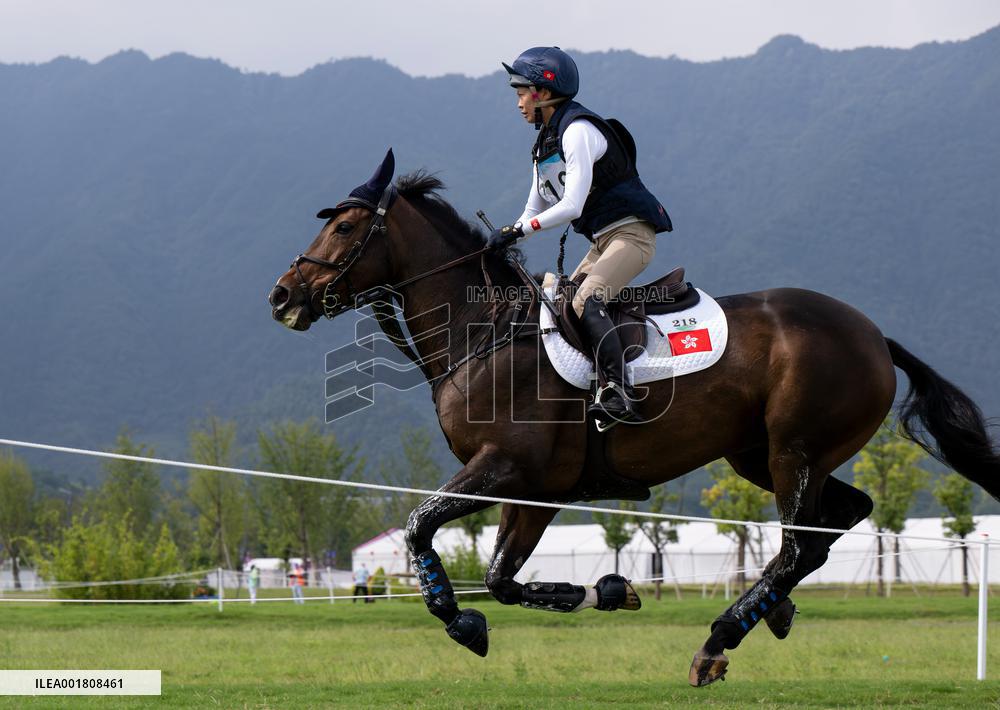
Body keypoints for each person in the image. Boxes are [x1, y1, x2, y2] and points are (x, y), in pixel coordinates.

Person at [490, 46, 673, 427]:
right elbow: (533, 209)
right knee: (561, 306)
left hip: (632, 237)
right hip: (602, 241)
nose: (518, 102)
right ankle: (588, 386)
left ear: (543, 92)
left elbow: (571, 206)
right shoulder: (545, 142)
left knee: (587, 303)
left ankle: (620, 393)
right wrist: (505, 238)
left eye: (522, 92)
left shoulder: (578, 132)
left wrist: (522, 230)